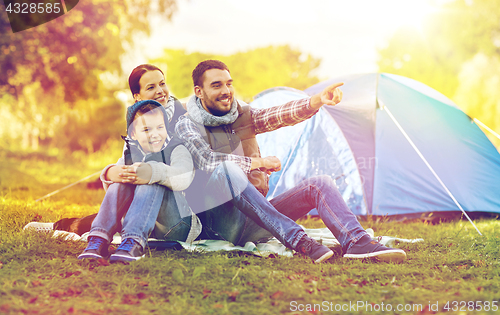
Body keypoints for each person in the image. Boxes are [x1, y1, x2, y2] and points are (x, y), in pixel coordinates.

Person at [175, 59, 406, 263]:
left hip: (256, 219)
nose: (226, 90)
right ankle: (299, 240)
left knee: (320, 183)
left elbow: (278, 114)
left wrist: (316, 101)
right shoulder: (186, 123)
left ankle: (357, 242)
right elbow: (207, 161)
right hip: (218, 224)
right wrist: (258, 163)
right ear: (199, 91)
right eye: (217, 85)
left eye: (229, 83)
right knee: (227, 168)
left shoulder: (243, 115)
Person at [78, 100, 196, 262]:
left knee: (152, 178)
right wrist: (112, 173)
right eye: (147, 129)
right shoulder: (130, 151)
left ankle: (134, 241)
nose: (155, 134)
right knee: (123, 179)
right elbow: (117, 190)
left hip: (176, 225)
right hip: (147, 224)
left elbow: (184, 178)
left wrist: (153, 171)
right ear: (133, 134)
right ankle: (99, 238)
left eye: (160, 128)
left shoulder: (177, 148)